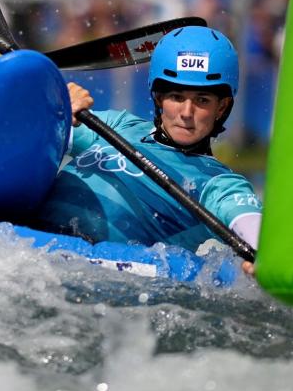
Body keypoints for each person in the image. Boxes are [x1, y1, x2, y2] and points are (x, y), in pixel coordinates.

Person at [38, 26, 262, 270]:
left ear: (221, 107)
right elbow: (31, 135)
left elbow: (248, 220)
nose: (187, 113)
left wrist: (263, 253)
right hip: (24, 242)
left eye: (202, 100)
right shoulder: (119, 125)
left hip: (94, 274)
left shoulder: (218, 182)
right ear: (158, 98)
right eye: (176, 97)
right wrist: (58, 107)